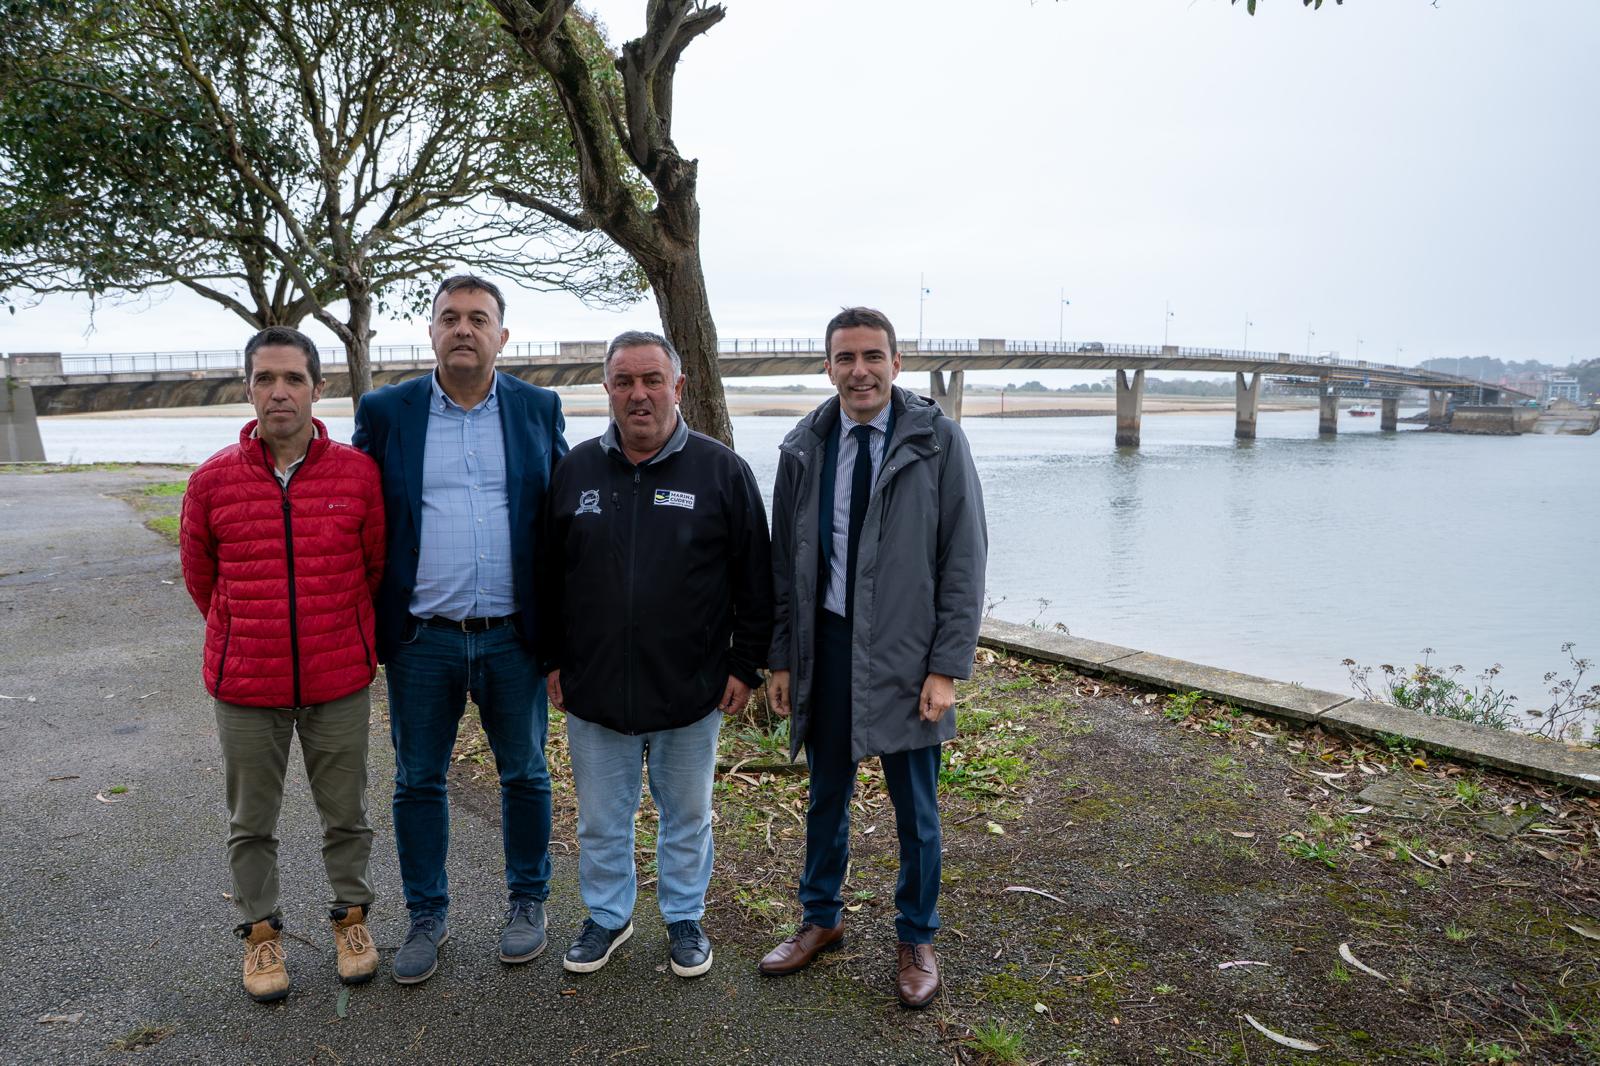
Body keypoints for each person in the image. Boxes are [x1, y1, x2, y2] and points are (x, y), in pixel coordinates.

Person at [760, 307, 987, 1009]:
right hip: (824, 647)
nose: (860, 371)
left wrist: (946, 666)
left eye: (872, 356)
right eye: (845, 358)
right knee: (826, 795)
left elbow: (964, 558)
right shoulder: (805, 445)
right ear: (827, 367)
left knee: (915, 810)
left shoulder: (937, 442)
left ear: (896, 363)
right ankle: (819, 920)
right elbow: (783, 565)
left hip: (906, 655)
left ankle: (916, 935)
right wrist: (781, 658)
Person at [352, 275, 566, 985]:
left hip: (512, 636)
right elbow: (361, 519)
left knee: (527, 774)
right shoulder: (388, 411)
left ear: (503, 335)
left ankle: (527, 903)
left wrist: (563, 633)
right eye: (451, 318)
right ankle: (426, 917)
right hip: (422, 639)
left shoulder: (538, 407)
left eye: (480, 319)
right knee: (418, 780)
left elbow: (560, 522)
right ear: (432, 332)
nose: (464, 329)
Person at [540, 331, 772, 978]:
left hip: (693, 689)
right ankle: (608, 918)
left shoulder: (722, 470)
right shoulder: (575, 470)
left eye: (651, 379)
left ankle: (684, 918)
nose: (638, 394)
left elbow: (758, 578)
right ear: (607, 389)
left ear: (679, 385)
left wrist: (744, 664)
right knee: (600, 821)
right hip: (595, 689)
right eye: (623, 381)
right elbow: (546, 576)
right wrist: (552, 659)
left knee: (688, 816)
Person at [179, 326, 386, 1002]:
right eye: (265, 379)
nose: (279, 392)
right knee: (251, 823)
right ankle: (261, 936)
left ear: (317, 389)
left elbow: (375, 568)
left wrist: (343, 636)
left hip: (337, 679)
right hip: (247, 683)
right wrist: (250, 634)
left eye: (293, 379)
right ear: (247, 389)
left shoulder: (357, 475)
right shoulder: (212, 481)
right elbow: (201, 579)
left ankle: (351, 922)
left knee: (347, 814)